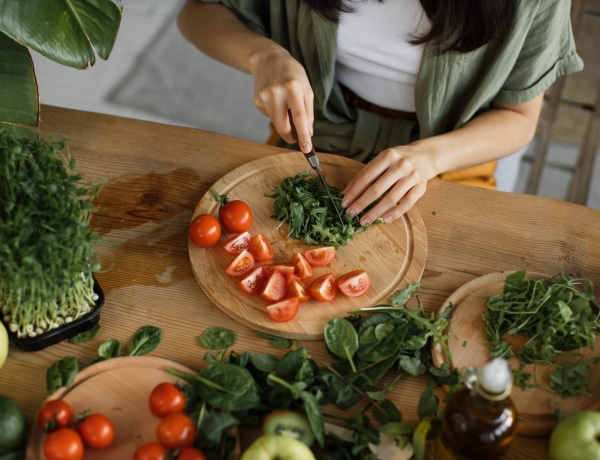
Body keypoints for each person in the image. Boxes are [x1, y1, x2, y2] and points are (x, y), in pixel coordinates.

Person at [177, 0, 583, 225]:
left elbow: (519, 118)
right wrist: (261, 54)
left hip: (454, 152)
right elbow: (198, 12)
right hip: (322, 133)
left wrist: (429, 157)